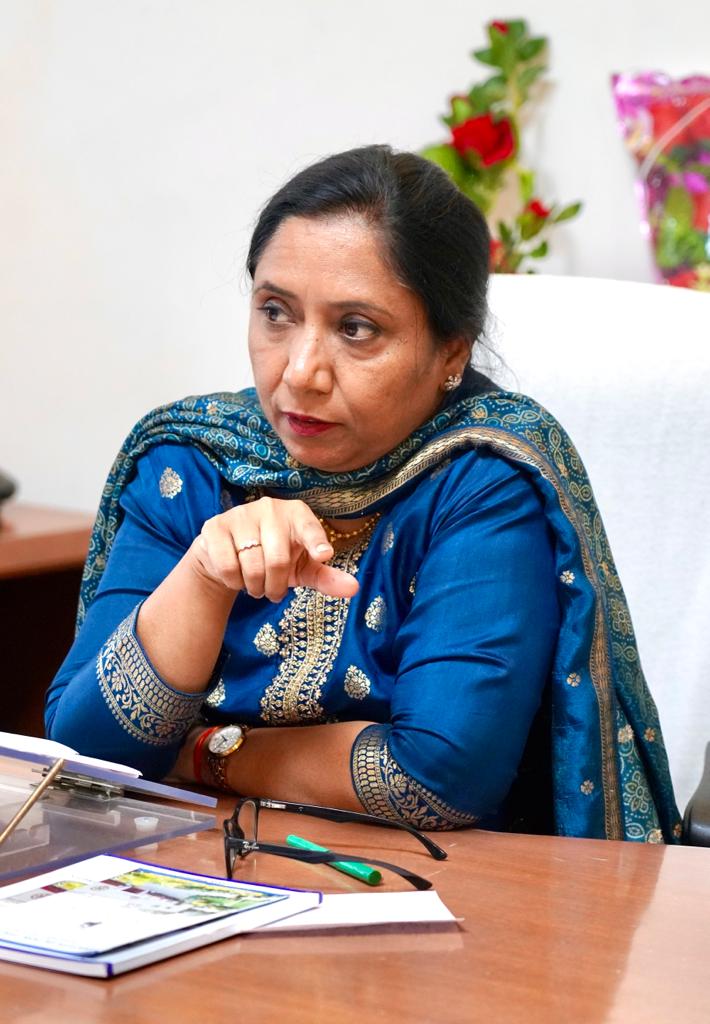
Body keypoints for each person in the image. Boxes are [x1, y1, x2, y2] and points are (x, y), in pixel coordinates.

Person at [45, 145, 680, 842]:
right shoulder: (191, 463)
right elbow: (84, 754)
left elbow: (436, 776)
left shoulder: (481, 478)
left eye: (356, 329)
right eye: (276, 312)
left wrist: (204, 753)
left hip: (441, 886)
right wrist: (202, 576)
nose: (301, 372)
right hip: (201, 865)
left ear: (451, 353)